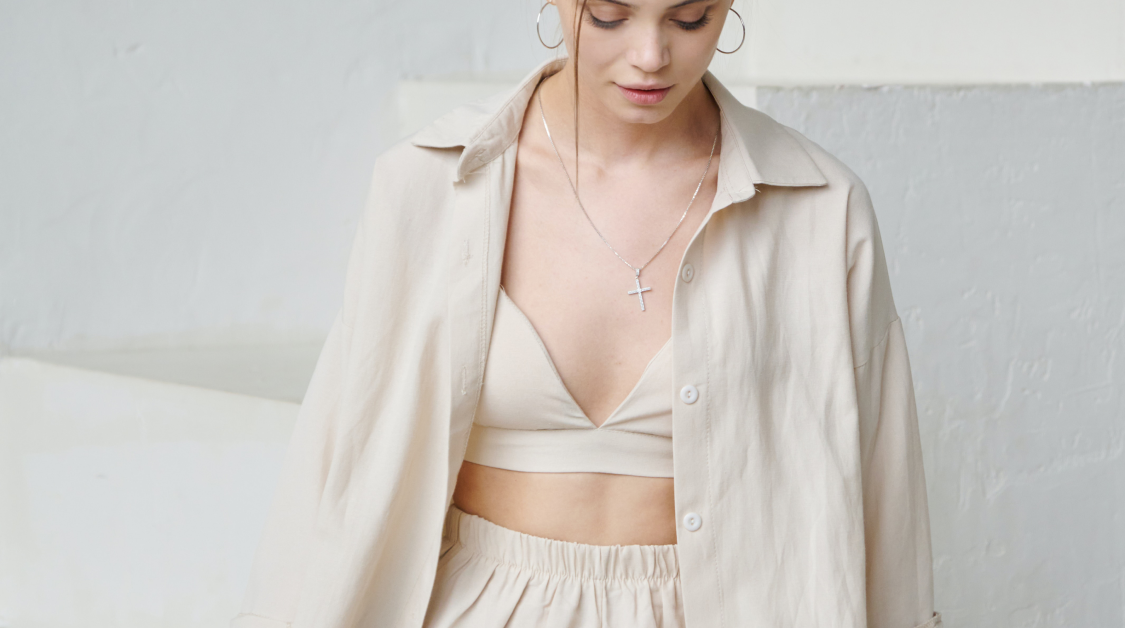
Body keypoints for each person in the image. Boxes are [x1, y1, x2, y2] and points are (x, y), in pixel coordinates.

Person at [231, 1, 942, 627]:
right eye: (609, 15)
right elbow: (341, 454)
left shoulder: (819, 210)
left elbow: (883, 491)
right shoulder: (428, 183)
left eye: (689, 18)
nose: (650, 55)